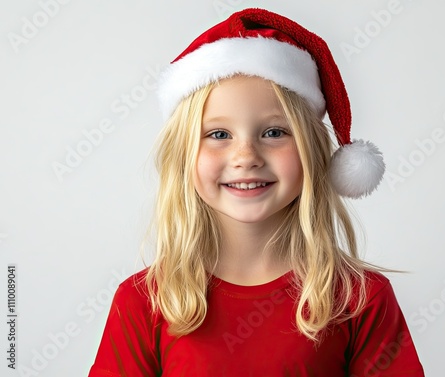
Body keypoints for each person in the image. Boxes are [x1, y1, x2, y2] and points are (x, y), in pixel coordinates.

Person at [89, 8, 424, 377]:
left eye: (274, 132)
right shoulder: (142, 302)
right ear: (184, 156)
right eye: (219, 135)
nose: (246, 157)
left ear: (312, 152)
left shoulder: (360, 299)